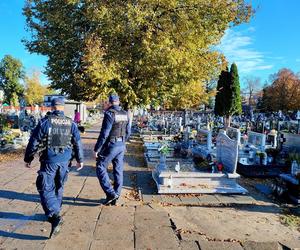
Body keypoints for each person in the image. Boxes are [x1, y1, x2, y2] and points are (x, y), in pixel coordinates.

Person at [24, 97, 84, 238]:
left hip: (49, 160)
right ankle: (55, 210)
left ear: (52, 107)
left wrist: (28, 158)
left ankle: (55, 216)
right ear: (63, 107)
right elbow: (78, 142)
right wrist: (80, 159)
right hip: (65, 161)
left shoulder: (45, 122)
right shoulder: (71, 123)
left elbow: (34, 141)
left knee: (44, 186)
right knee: (59, 185)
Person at [94, 94, 130, 206]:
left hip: (112, 145)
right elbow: (128, 131)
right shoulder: (125, 114)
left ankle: (110, 193)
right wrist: (123, 142)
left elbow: (104, 133)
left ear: (110, 102)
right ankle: (116, 196)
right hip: (121, 145)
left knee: (100, 166)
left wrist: (97, 148)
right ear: (118, 102)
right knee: (118, 170)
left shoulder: (110, 113)